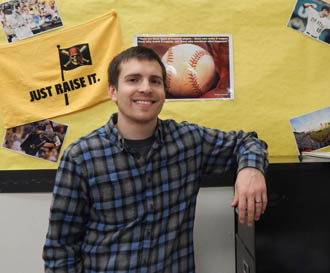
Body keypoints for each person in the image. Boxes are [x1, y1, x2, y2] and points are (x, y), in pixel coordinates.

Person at [42, 46, 268, 273]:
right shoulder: (81, 156)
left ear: (164, 91)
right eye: (133, 79)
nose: (145, 88)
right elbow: (60, 249)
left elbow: (248, 142)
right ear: (113, 91)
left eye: (155, 81)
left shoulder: (188, 141)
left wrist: (251, 169)